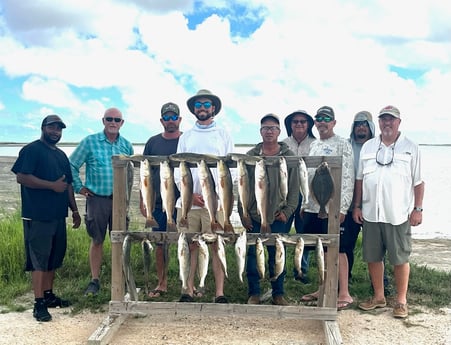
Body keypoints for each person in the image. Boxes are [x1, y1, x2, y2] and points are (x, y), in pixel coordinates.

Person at [354, 105, 424, 318]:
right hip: (371, 214)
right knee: (373, 257)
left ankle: (401, 301)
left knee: (400, 258)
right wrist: (357, 206)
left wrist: (417, 209)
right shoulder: (368, 147)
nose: (387, 123)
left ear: (399, 122)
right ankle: (378, 297)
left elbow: (418, 182)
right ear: (379, 122)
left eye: (391, 119)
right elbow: (360, 179)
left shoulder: (411, 147)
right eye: (383, 119)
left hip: (398, 214)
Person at [11, 115, 81, 322]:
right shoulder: (32, 150)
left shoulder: (61, 155)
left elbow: (67, 185)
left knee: (53, 257)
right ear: (43, 128)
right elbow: (21, 177)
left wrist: (75, 210)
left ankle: (49, 295)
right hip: (37, 214)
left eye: (59, 129)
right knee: (39, 260)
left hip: (58, 215)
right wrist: (51, 186)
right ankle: (38, 302)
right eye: (52, 127)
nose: (56, 132)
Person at [174, 89, 233, 303]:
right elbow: (177, 170)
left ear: (213, 108)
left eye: (206, 104)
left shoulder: (223, 134)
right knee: (190, 245)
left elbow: (231, 169)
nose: (202, 108)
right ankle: (187, 288)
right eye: (198, 105)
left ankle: (219, 292)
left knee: (216, 245)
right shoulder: (186, 137)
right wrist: (189, 194)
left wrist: (214, 194)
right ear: (194, 110)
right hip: (188, 203)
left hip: (215, 203)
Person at [70, 108, 134, 296]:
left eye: (117, 119)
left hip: (120, 202)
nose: (113, 122)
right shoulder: (89, 142)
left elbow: (130, 174)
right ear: (103, 121)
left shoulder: (127, 146)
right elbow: (72, 164)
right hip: (97, 199)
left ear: (122, 123)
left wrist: (128, 198)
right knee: (97, 240)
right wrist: (79, 187)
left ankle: (120, 279)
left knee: (120, 240)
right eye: (109, 119)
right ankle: (95, 280)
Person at [241, 113, 300, 306]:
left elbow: (294, 187)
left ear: (279, 132)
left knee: (277, 253)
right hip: (254, 214)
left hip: (278, 215)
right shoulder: (250, 157)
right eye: (265, 128)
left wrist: (288, 211)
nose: (269, 131)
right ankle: (254, 292)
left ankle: (278, 293)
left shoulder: (289, 157)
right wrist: (243, 213)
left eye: (273, 128)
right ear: (260, 131)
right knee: (251, 253)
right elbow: (242, 186)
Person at [299, 106, 355, 311]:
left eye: (326, 118)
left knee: (338, 248)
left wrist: (343, 208)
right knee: (320, 247)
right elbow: (308, 176)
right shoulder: (313, 145)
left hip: (333, 206)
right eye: (318, 118)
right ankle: (322, 287)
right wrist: (305, 203)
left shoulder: (343, 144)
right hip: (314, 207)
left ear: (333, 122)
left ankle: (344, 293)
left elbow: (348, 176)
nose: (322, 122)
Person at [141, 102, 182, 298]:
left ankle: (189, 285)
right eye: (167, 117)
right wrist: (143, 201)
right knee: (160, 243)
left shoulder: (186, 140)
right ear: (161, 120)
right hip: (157, 203)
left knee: (189, 242)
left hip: (184, 203)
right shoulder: (152, 142)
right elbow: (145, 177)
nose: (171, 120)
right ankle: (162, 282)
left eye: (174, 117)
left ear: (180, 120)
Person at [282, 110, 316, 283]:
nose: (299, 124)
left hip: (306, 194)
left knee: (303, 233)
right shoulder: (283, 144)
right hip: (285, 195)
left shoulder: (315, 144)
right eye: (295, 122)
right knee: (282, 231)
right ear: (290, 124)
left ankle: (301, 271)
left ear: (309, 124)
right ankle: (280, 269)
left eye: (303, 121)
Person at [344, 111, 375, 278]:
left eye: (364, 124)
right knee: (345, 244)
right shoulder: (346, 146)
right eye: (357, 124)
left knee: (376, 247)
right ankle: (344, 281)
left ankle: (380, 284)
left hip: (372, 206)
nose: (361, 127)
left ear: (370, 127)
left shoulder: (378, 146)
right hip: (349, 206)